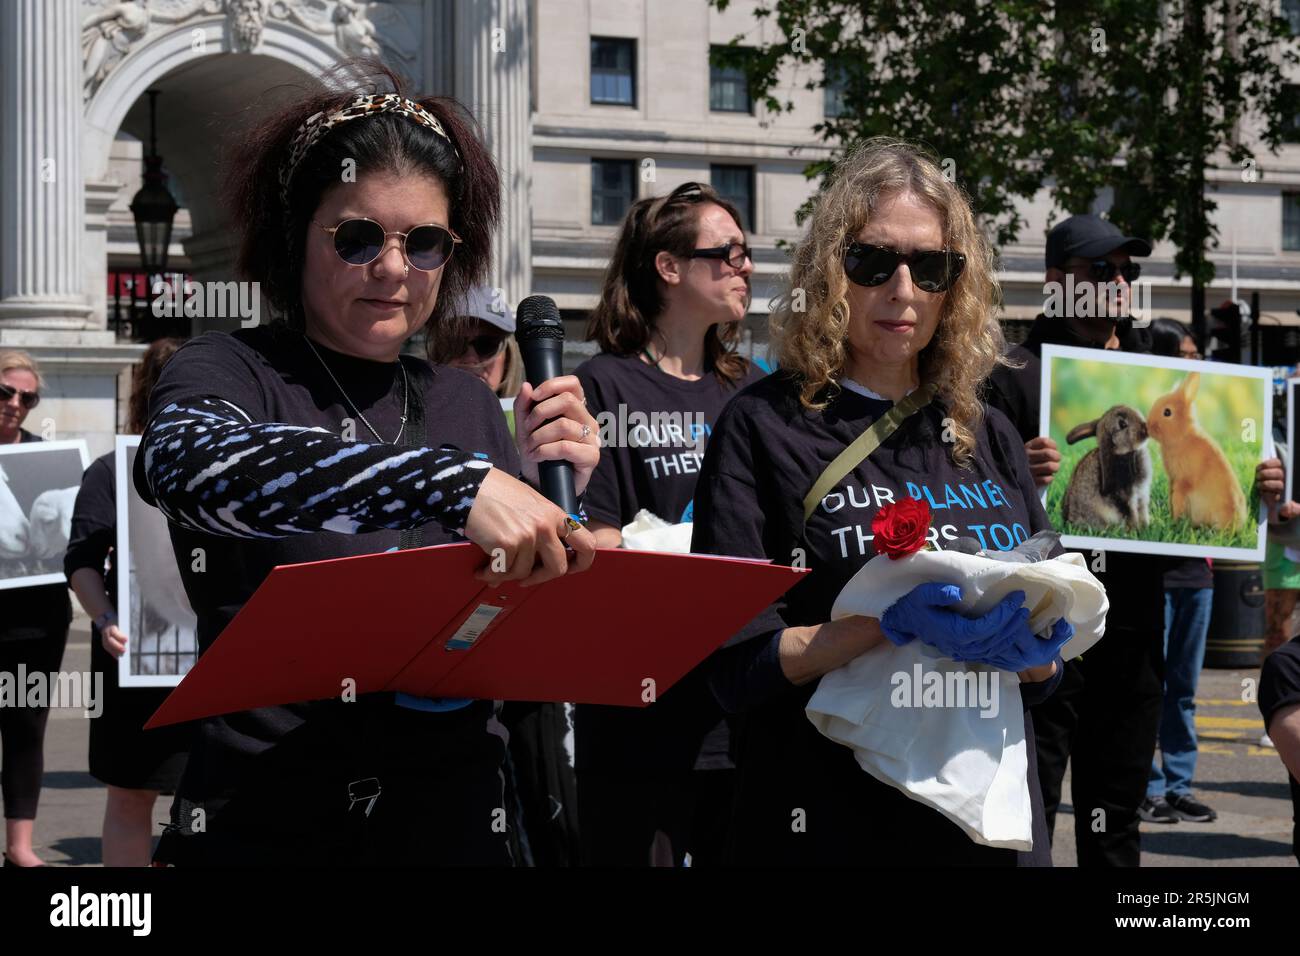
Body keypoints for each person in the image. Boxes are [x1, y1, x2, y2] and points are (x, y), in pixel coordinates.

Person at [131, 63, 601, 866]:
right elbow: (183, 465)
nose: (393, 270)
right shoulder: (229, 369)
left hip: (456, 815)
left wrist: (565, 526)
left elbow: (511, 624)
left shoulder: (460, 401)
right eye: (357, 237)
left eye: (424, 243)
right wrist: (448, 484)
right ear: (293, 235)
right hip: (268, 819)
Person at [691, 138, 1069, 866]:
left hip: (986, 823)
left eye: (930, 267)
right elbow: (733, 668)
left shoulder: (984, 428)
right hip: (829, 817)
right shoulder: (764, 424)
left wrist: (1038, 658)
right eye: (873, 262)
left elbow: (1054, 670)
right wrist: (881, 626)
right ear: (830, 270)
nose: (903, 290)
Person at [984, 215, 1285, 865]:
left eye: (1128, 270)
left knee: (1116, 809)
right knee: (1028, 802)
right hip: (1042, 625)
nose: (1119, 281)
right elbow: (971, 493)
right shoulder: (1010, 373)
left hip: (1135, 625)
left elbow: (1213, 469)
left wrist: (1262, 481)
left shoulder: (1156, 363)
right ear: (1057, 280)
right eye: (1102, 269)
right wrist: (1017, 474)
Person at [573, 180, 765, 867]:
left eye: (748, 253)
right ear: (669, 267)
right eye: (729, 252)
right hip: (637, 712)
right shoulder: (603, 385)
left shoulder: (752, 388)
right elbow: (596, 542)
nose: (746, 266)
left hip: (737, 707)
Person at [433, 286, 580, 866]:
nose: (471, 356)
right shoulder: (412, 418)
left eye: (486, 342)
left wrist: (568, 489)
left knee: (551, 827)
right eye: (455, 341)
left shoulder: (554, 427)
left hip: (528, 662)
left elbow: (575, 537)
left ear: (509, 353)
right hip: (449, 665)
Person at [65, 338, 193, 866]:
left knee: (207, 797)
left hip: (211, 657)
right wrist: (104, 618)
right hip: (136, 656)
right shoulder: (112, 470)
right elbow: (82, 560)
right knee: (132, 793)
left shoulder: (227, 469)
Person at [1137, 318, 1217, 824]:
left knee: (1184, 688)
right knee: (1150, 686)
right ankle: (1149, 786)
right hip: (1149, 580)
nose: (1194, 364)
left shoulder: (1194, 432)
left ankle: (1180, 784)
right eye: (1185, 354)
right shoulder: (1147, 432)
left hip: (1197, 578)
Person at [0, 350, 73, 867]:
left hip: (37, 618)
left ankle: (19, 847)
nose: (16, 404)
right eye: (6, 391)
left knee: (27, 728)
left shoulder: (49, 458)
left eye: (28, 397)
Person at [429, 284, 524, 399]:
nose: (471, 359)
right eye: (456, 344)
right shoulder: (412, 414)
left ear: (508, 359)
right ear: (438, 354)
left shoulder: (530, 414)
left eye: (487, 345)